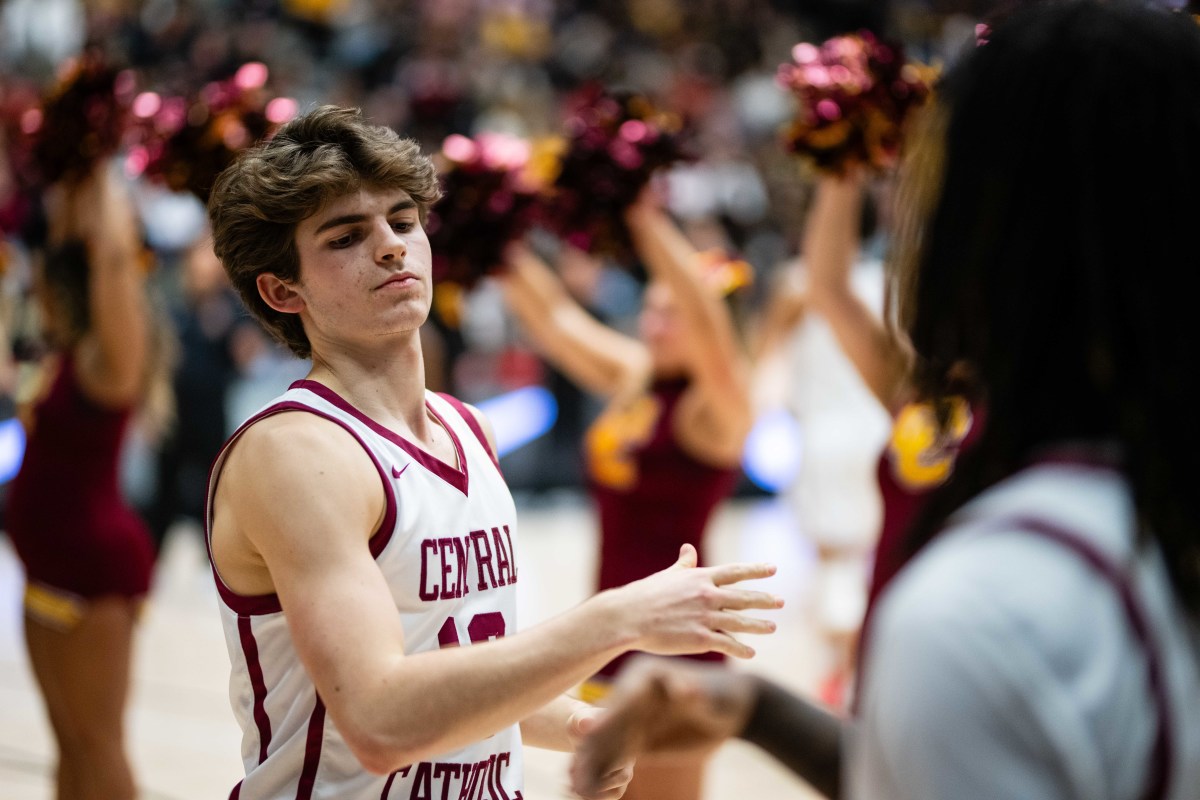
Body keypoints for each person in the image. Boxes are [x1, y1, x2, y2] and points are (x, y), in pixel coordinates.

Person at [570, 3, 1200, 799]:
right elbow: (828, 283)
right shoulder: (928, 397)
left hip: (939, 660)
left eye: (938, 194)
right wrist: (841, 157)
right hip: (900, 693)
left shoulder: (987, 609)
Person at [204, 104, 782, 800]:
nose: (390, 246)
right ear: (281, 289)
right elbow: (380, 719)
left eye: (403, 221)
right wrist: (616, 620)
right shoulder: (295, 453)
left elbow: (451, 662)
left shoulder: (468, 428)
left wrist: (573, 721)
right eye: (346, 237)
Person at [500, 189, 754, 800]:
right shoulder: (636, 377)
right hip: (612, 636)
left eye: (675, 312)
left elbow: (715, 334)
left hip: (679, 649)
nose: (654, 322)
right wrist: (496, 245)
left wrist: (644, 216)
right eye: (652, 307)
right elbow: (558, 322)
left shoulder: (717, 407)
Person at [4, 162, 168, 800]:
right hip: (46, 565)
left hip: (94, 569)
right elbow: (67, 242)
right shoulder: (66, 350)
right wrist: (66, 159)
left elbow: (111, 259)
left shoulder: (112, 360)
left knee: (99, 744)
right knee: (68, 740)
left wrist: (97, 158)